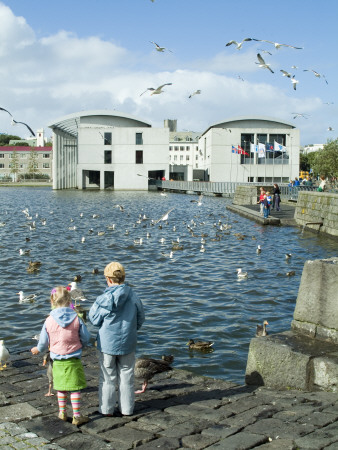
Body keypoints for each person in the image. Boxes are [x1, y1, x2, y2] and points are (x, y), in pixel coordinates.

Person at [89, 261, 145, 417]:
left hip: (107, 343)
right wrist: (132, 330)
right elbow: (141, 317)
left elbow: (93, 319)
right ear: (124, 277)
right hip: (128, 341)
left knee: (107, 377)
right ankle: (127, 409)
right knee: (127, 376)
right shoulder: (133, 296)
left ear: (108, 279)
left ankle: (106, 410)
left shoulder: (104, 298)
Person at [31, 286, 90, 425]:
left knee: (61, 387)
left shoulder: (49, 320)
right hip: (73, 358)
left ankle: (62, 412)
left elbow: (43, 341)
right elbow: (86, 337)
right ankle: (77, 416)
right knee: (75, 388)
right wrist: (82, 343)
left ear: (52, 300)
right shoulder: (76, 317)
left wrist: (37, 349)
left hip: (57, 359)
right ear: (69, 299)